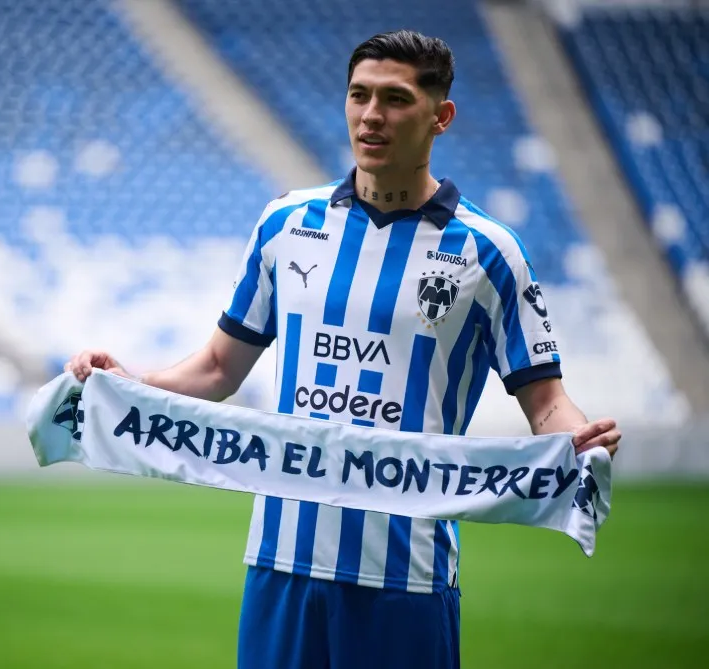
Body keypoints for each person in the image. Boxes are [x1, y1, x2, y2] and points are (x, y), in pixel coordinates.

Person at [65, 29, 621, 669]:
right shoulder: (287, 225)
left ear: (440, 117)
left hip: (406, 577)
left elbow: (544, 400)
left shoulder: (488, 253)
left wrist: (581, 439)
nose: (371, 115)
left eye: (395, 98)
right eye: (359, 95)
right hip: (280, 562)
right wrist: (126, 381)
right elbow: (219, 368)